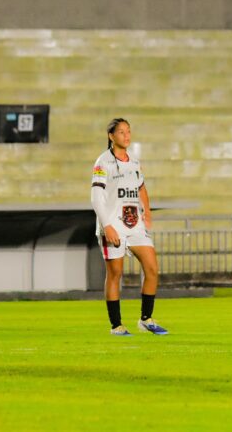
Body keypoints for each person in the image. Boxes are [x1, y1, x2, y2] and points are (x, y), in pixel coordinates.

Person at [90, 118, 167, 336]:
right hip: (113, 225)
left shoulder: (134, 161)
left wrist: (148, 211)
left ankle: (146, 319)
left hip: (134, 225)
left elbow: (141, 187)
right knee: (115, 274)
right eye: (122, 132)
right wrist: (107, 226)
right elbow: (96, 198)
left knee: (152, 268)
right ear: (111, 136)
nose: (127, 135)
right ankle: (116, 325)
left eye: (129, 131)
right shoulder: (102, 162)